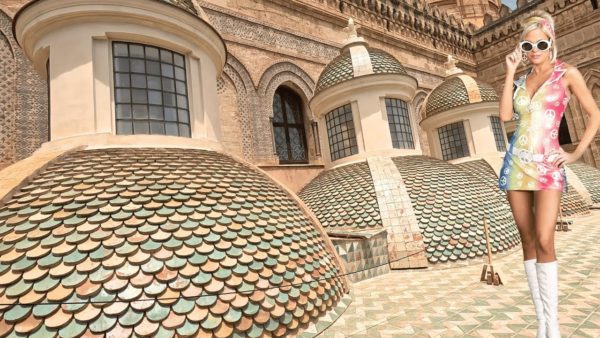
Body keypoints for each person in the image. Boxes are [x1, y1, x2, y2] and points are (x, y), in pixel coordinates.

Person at [497, 9, 600, 338]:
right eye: (527, 46)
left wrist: (575, 152)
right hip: (516, 164)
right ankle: (541, 321)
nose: (534, 50)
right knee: (527, 240)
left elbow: (593, 113)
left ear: (551, 44)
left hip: (547, 166)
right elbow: (503, 116)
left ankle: (552, 324)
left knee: (544, 239)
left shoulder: (566, 73)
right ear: (522, 49)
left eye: (540, 44)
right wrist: (509, 71)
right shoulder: (520, 80)